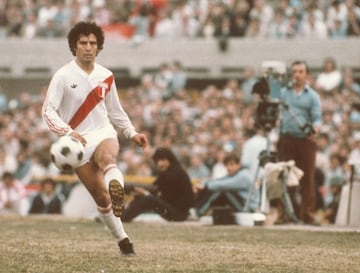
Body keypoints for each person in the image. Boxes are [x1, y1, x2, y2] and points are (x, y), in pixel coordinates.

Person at [42, 21, 148, 256]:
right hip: (77, 143)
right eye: (83, 43)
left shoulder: (106, 76)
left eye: (93, 43)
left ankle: (117, 188)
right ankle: (123, 240)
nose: (88, 47)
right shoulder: (62, 76)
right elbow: (48, 111)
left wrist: (132, 133)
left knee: (108, 158)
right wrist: (67, 132)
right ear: (74, 46)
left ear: (98, 47)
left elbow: (116, 112)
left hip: (103, 132)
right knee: (101, 197)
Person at [278, 60, 322, 224]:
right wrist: (273, 79)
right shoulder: (283, 92)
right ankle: (284, 213)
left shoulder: (312, 96)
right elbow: (272, 99)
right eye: (294, 71)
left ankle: (307, 214)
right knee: (283, 177)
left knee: (307, 178)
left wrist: (315, 129)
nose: (297, 75)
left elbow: (317, 118)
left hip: (305, 140)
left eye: (300, 71)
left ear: (306, 74)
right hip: (287, 139)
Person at [122, 147, 194, 222]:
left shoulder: (176, 173)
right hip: (175, 210)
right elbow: (156, 188)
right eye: (157, 161)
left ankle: (124, 217)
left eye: (163, 160)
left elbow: (167, 196)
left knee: (147, 198)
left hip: (179, 214)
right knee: (143, 196)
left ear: (170, 160)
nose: (160, 164)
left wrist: (146, 193)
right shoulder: (168, 173)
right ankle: (124, 214)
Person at [192, 153, 259, 218]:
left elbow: (222, 185)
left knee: (221, 189)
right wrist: (203, 184)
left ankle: (199, 212)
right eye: (226, 165)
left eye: (231, 165)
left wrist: (205, 186)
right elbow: (220, 180)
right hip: (243, 204)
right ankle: (197, 209)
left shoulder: (244, 175)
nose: (228, 168)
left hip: (249, 208)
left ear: (239, 165)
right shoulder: (235, 174)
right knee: (213, 187)